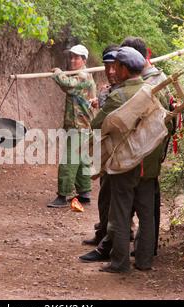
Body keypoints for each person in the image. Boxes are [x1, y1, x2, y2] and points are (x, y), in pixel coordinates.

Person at [89, 47, 157, 273]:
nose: (112, 70)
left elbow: (97, 125)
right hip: (148, 164)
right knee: (147, 215)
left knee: (119, 212)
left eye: (116, 66)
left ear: (125, 70)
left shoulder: (118, 95)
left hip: (125, 162)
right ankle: (144, 261)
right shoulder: (152, 90)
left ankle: (120, 262)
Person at [120, 37, 174, 256]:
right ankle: (144, 251)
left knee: (142, 205)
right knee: (146, 203)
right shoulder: (155, 79)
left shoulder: (152, 83)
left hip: (144, 152)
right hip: (148, 152)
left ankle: (142, 253)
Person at [81, 44, 121, 248]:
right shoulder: (110, 90)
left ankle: (110, 236)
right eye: (107, 66)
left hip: (119, 152)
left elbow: (103, 122)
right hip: (107, 150)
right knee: (107, 194)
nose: (111, 71)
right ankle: (105, 231)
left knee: (112, 197)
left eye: (114, 66)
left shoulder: (124, 91)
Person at [47, 45, 97, 208]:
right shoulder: (78, 75)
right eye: (72, 57)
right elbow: (68, 88)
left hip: (79, 125)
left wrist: (58, 73)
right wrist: (59, 76)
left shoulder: (83, 75)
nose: (73, 60)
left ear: (84, 60)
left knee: (69, 159)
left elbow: (68, 84)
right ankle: (84, 193)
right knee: (82, 159)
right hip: (81, 124)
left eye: (77, 58)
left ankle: (63, 195)